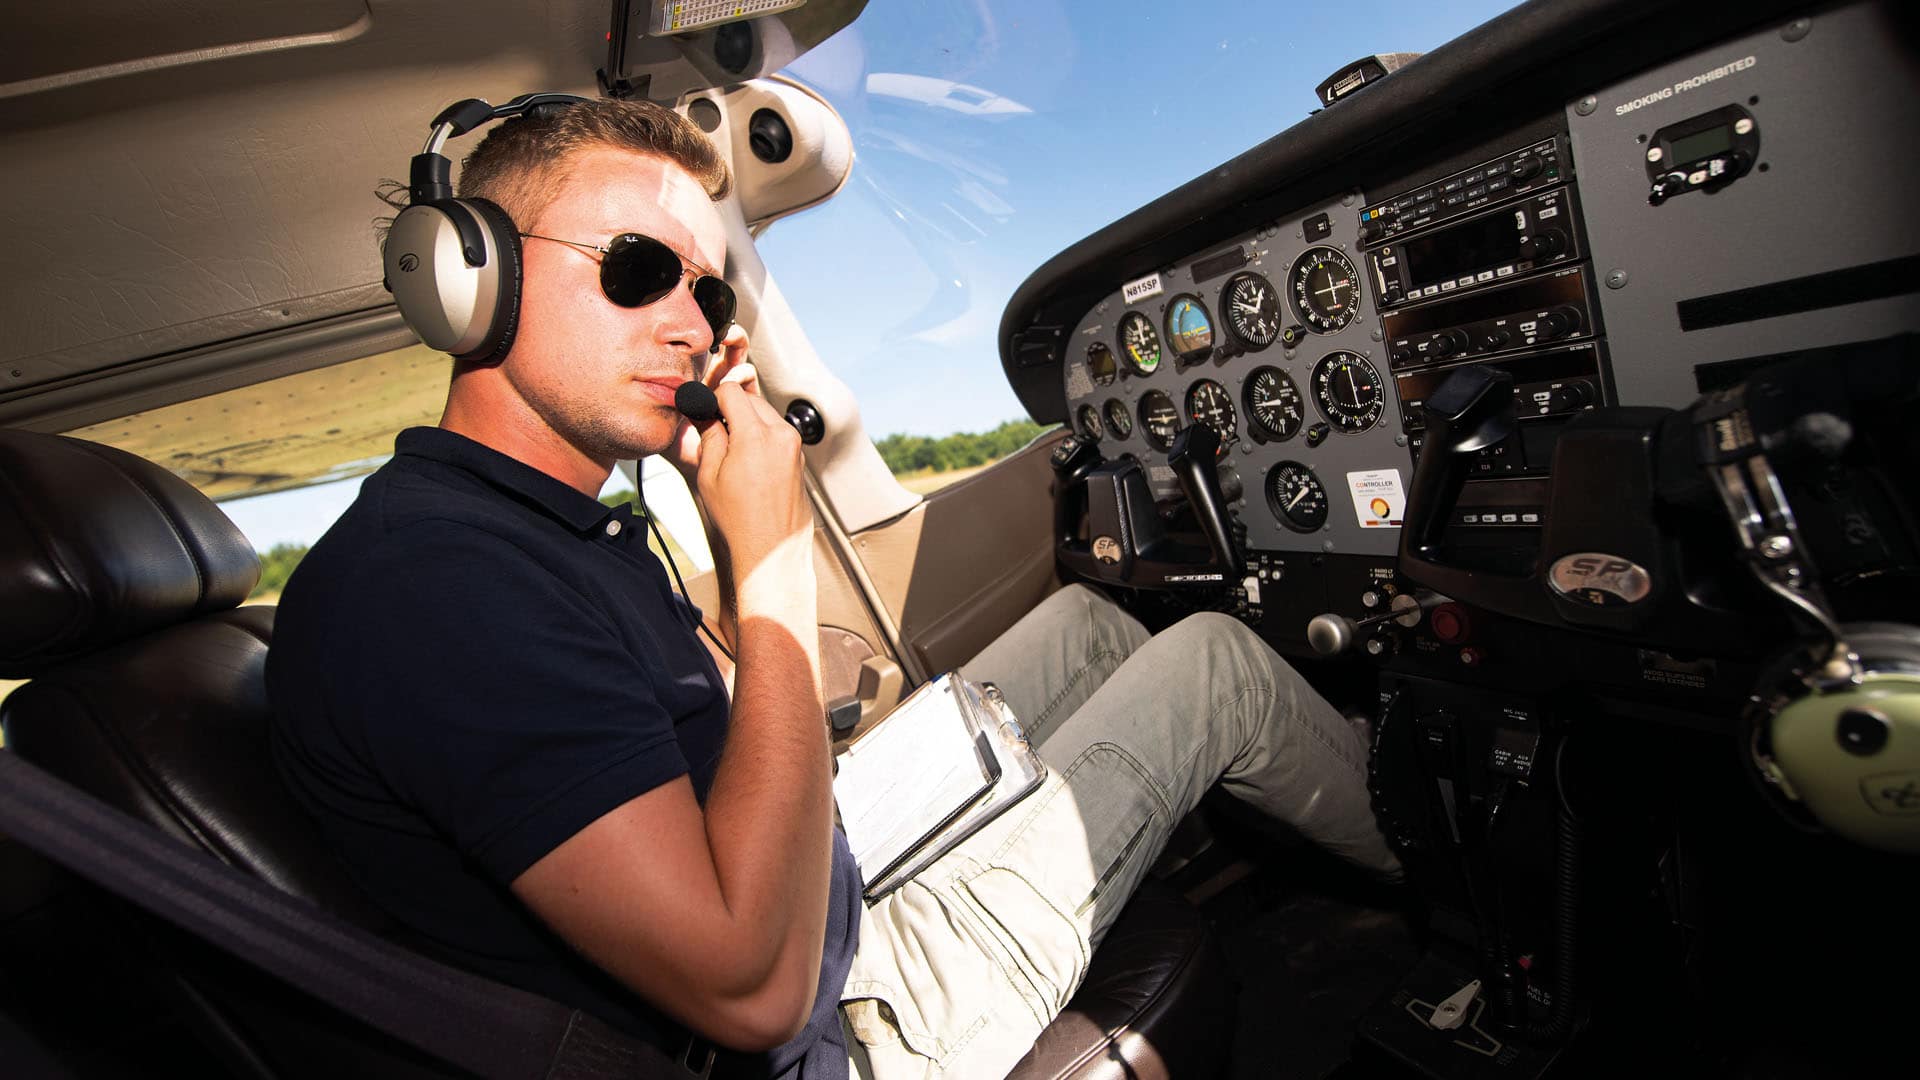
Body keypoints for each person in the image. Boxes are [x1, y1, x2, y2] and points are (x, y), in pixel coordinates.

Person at [268, 97, 1397, 1080]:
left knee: (1094, 621)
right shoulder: (434, 587)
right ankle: (1464, 908)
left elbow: (685, 735)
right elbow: (751, 989)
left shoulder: (525, 528)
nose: (687, 324)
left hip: (807, 884)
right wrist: (768, 551)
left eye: (709, 295)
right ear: (475, 278)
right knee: (1217, 665)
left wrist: (727, 529)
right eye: (638, 269)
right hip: (830, 1034)